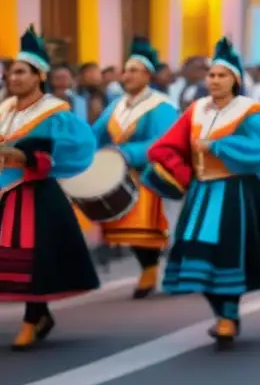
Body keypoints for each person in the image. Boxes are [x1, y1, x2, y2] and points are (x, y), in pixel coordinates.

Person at [142, 37, 260, 346]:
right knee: (194, 255)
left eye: (222, 75)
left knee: (228, 257)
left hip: (238, 193)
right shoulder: (196, 110)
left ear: (235, 80)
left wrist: (218, 146)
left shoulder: (251, 111)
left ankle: (228, 315)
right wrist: (184, 174)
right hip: (201, 194)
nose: (215, 80)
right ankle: (223, 313)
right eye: (211, 74)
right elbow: (164, 147)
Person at [0, 27, 99, 350]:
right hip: (4, 192)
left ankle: (31, 319)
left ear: (38, 76)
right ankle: (40, 314)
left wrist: (32, 152)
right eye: (11, 71)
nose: (12, 77)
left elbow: (77, 144)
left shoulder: (54, 111)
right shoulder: (5, 109)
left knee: (34, 258)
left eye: (20, 72)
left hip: (35, 194)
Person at [91, 37, 179, 298]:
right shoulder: (116, 106)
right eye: (125, 70)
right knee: (129, 227)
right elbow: (96, 134)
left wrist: (127, 153)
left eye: (133, 71)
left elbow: (164, 141)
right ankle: (150, 268)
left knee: (149, 227)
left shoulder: (161, 105)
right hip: (121, 176)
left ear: (147, 75)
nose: (126, 76)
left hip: (153, 176)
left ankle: (154, 269)